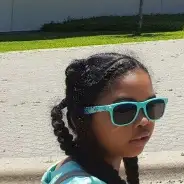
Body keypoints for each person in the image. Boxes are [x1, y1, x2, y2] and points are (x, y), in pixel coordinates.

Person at [42, 53, 167, 184]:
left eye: (151, 106)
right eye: (124, 110)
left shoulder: (66, 166)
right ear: (83, 119)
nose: (144, 121)